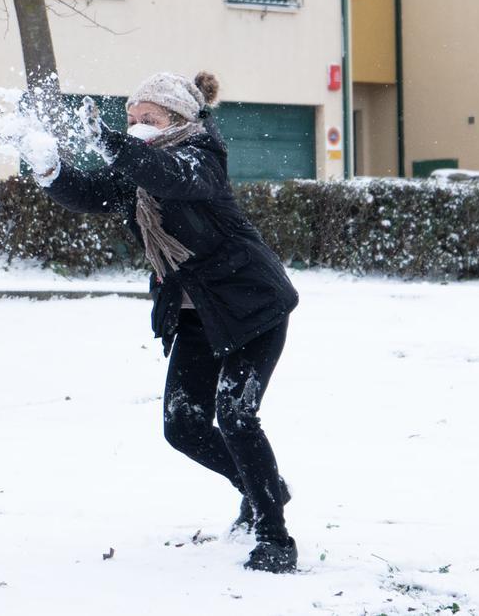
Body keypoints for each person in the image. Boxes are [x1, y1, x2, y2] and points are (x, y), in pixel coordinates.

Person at [34, 72, 301, 573]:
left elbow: (172, 177)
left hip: (252, 307)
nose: (135, 128)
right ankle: (263, 485)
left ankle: (274, 536)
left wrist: (111, 143)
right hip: (194, 317)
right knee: (183, 425)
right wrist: (51, 170)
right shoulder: (140, 167)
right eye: (130, 119)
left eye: (148, 120)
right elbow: (95, 193)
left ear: (178, 121)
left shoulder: (201, 158)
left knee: (236, 415)